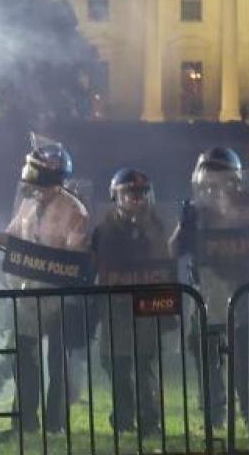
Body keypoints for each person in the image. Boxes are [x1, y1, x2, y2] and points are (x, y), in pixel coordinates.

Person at [0, 138, 91, 437]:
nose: (35, 189)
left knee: (58, 363)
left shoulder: (74, 211)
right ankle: (24, 422)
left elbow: (76, 258)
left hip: (58, 297)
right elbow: (15, 239)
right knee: (24, 360)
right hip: (28, 294)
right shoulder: (27, 205)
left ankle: (56, 424)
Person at [169, 147, 249, 432]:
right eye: (210, 178)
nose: (215, 186)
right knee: (204, 351)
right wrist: (184, 225)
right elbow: (174, 250)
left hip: (247, 288)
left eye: (222, 178)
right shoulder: (196, 211)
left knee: (248, 353)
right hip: (208, 290)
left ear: (234, 180)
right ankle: (213, 414)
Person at [91, 168, 175, 437]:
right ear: (117, 196)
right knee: (115, 364)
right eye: (129, 193)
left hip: (146, 307)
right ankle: (124, 419)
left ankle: (150, 422)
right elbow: (94, 264)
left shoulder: (156, 227)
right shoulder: (104, 230)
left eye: (140, 193)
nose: (136, 199)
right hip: (115, 308)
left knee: (144, 364)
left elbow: (165, 264)